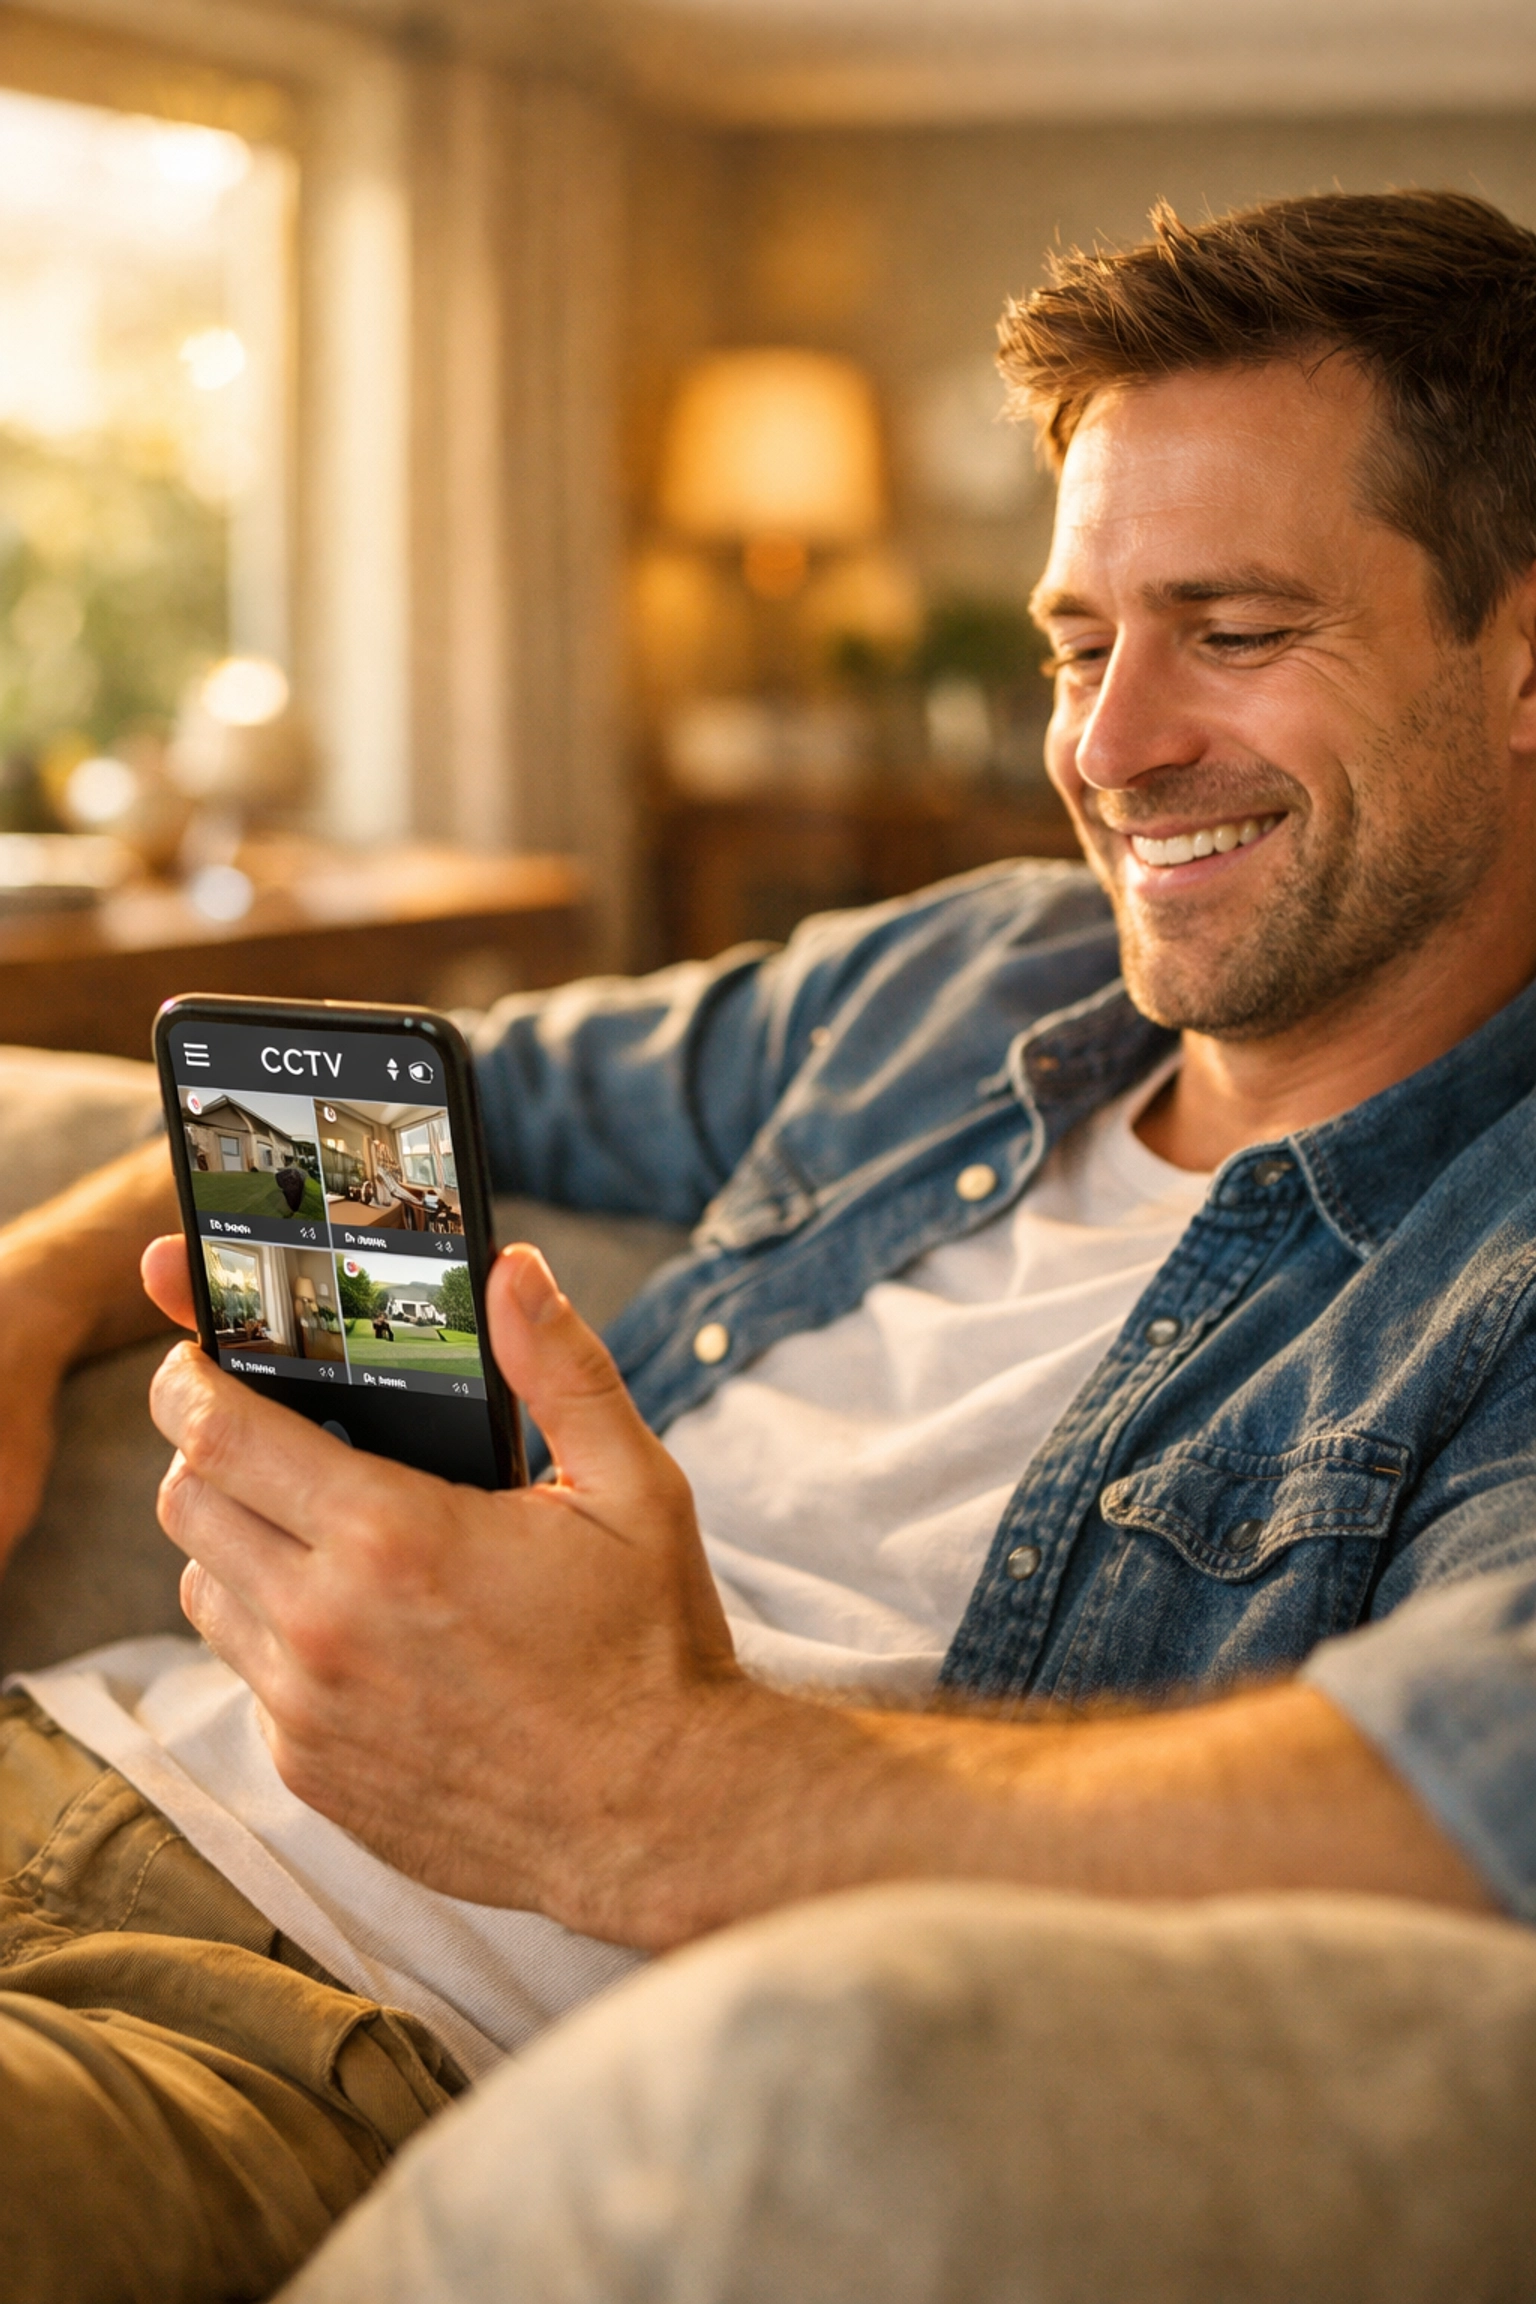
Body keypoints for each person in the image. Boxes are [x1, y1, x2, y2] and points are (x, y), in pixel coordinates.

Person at [4, 187, 1536, 2297]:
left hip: (280, 2039)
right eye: (1082, 644)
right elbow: (422, 1082)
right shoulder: (967, 974)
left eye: (1241, 633)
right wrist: (29, 1295)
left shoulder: (1501, 1259)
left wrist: (656, 1780)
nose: (1103, 744)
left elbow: (1485, 1786)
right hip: (54, 1741)